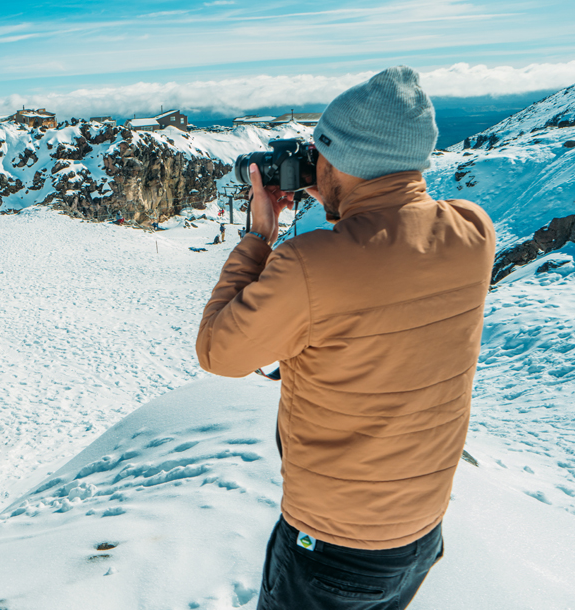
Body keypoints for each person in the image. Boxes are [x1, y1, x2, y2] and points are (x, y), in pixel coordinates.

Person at [196, 67, 495, 610]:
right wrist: (340, 188)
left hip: (331, 548)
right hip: (420, 532)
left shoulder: (310, 264)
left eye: (321, 156)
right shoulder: (473, 230)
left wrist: (260, 236)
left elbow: (218, 351)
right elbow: (386, 275)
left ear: (344, 160)